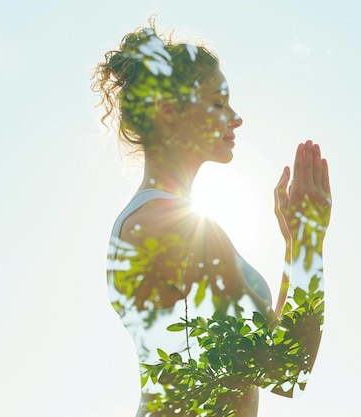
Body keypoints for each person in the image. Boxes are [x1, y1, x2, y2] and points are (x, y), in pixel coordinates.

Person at [93, 21, 332, 417]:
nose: (235, 118)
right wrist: (309, 241)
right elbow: (287, 371)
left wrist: (295, 246)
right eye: (219, 104)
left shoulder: (156, 221)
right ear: (169, 111)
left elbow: (273, 356)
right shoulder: (173, 227)